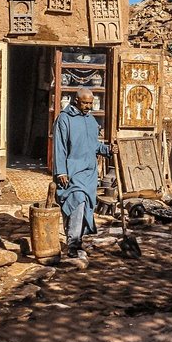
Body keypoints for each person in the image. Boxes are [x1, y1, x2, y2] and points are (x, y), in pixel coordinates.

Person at [53, 88, 117, 258]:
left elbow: (93, 145)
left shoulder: (90, 120)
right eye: (85, 103)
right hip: (71, 171)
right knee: (76, 203)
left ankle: (77, 241)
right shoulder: (64, 119)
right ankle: (72, 244)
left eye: (90, 103)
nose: (88, 106)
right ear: (76, 100)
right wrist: (61, 171)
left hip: (89, 173)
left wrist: (108, 149)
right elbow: (59, 147)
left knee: (85, 207)